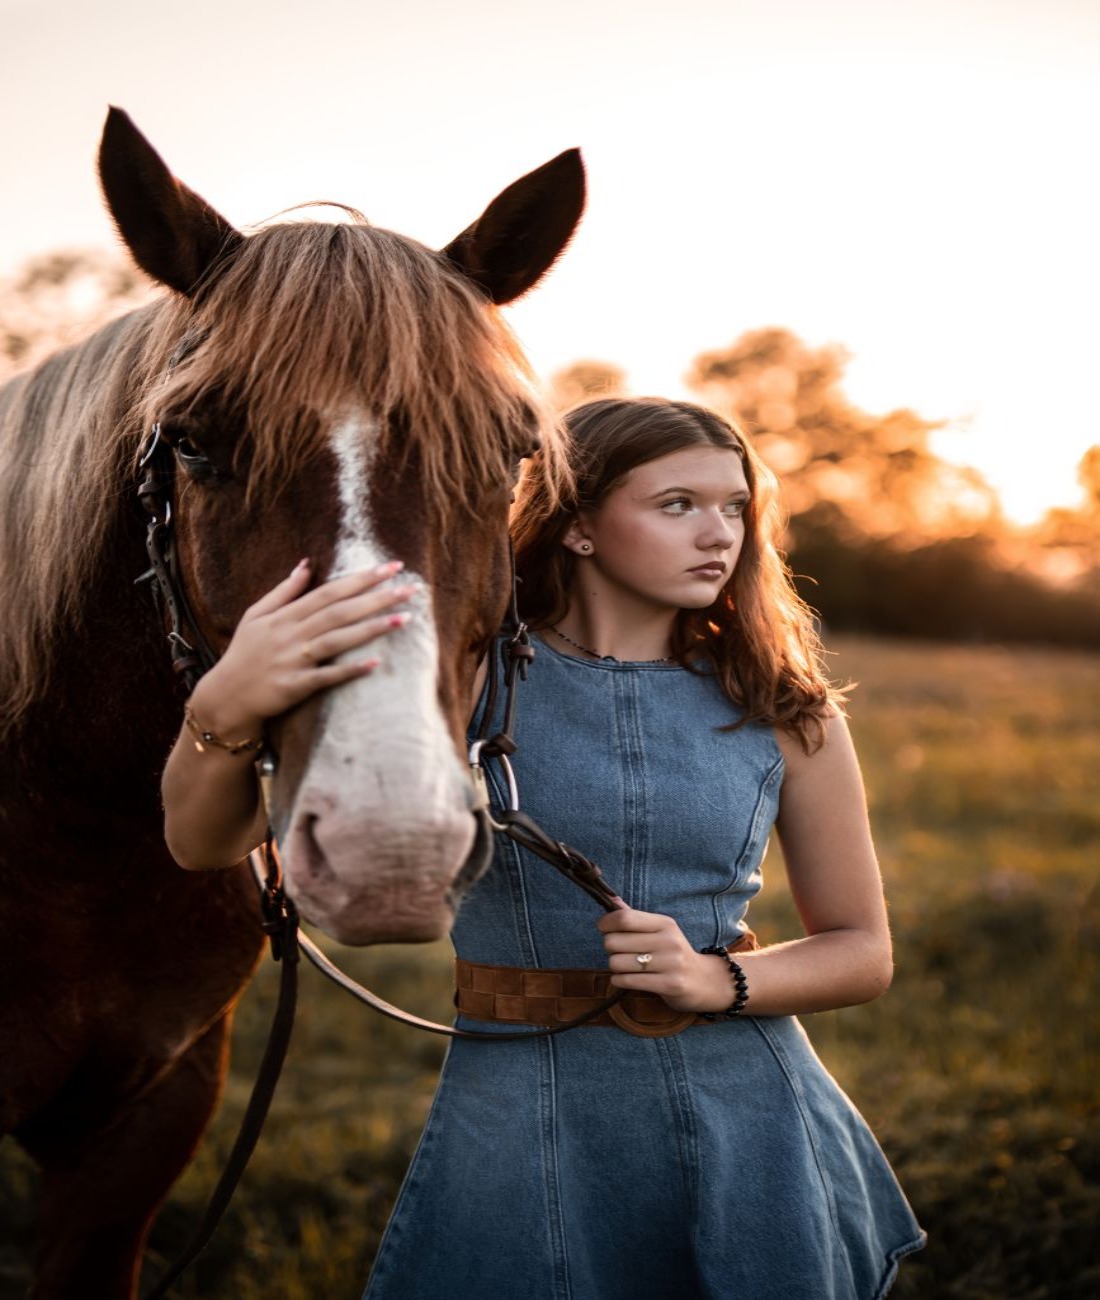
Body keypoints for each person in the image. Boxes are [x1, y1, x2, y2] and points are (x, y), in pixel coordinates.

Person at [161, 397, 926, 1299]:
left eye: (734, 507)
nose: (719, 535)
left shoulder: (788, 709)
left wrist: (717, 981)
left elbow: (861, 951)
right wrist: (224, 704)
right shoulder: (471, 680)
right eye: (676, 504)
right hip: (522, 1108)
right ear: (578, 527)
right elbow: (202, 841)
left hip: (749, 1113)